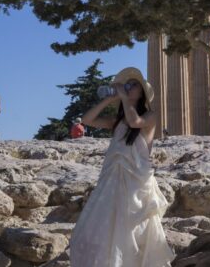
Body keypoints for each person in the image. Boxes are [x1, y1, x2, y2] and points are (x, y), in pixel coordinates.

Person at [71, 67, 174, 266]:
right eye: (130, 84)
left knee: (133, 229)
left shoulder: (151, 116)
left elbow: (135, 122)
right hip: (113, 179)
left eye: (135, 85)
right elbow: (87, 119)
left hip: (136, 182)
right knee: (103, 226)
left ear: (142, 93)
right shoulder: (117, 120)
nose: (130, 87)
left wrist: (125, 99)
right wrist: (110, 99)